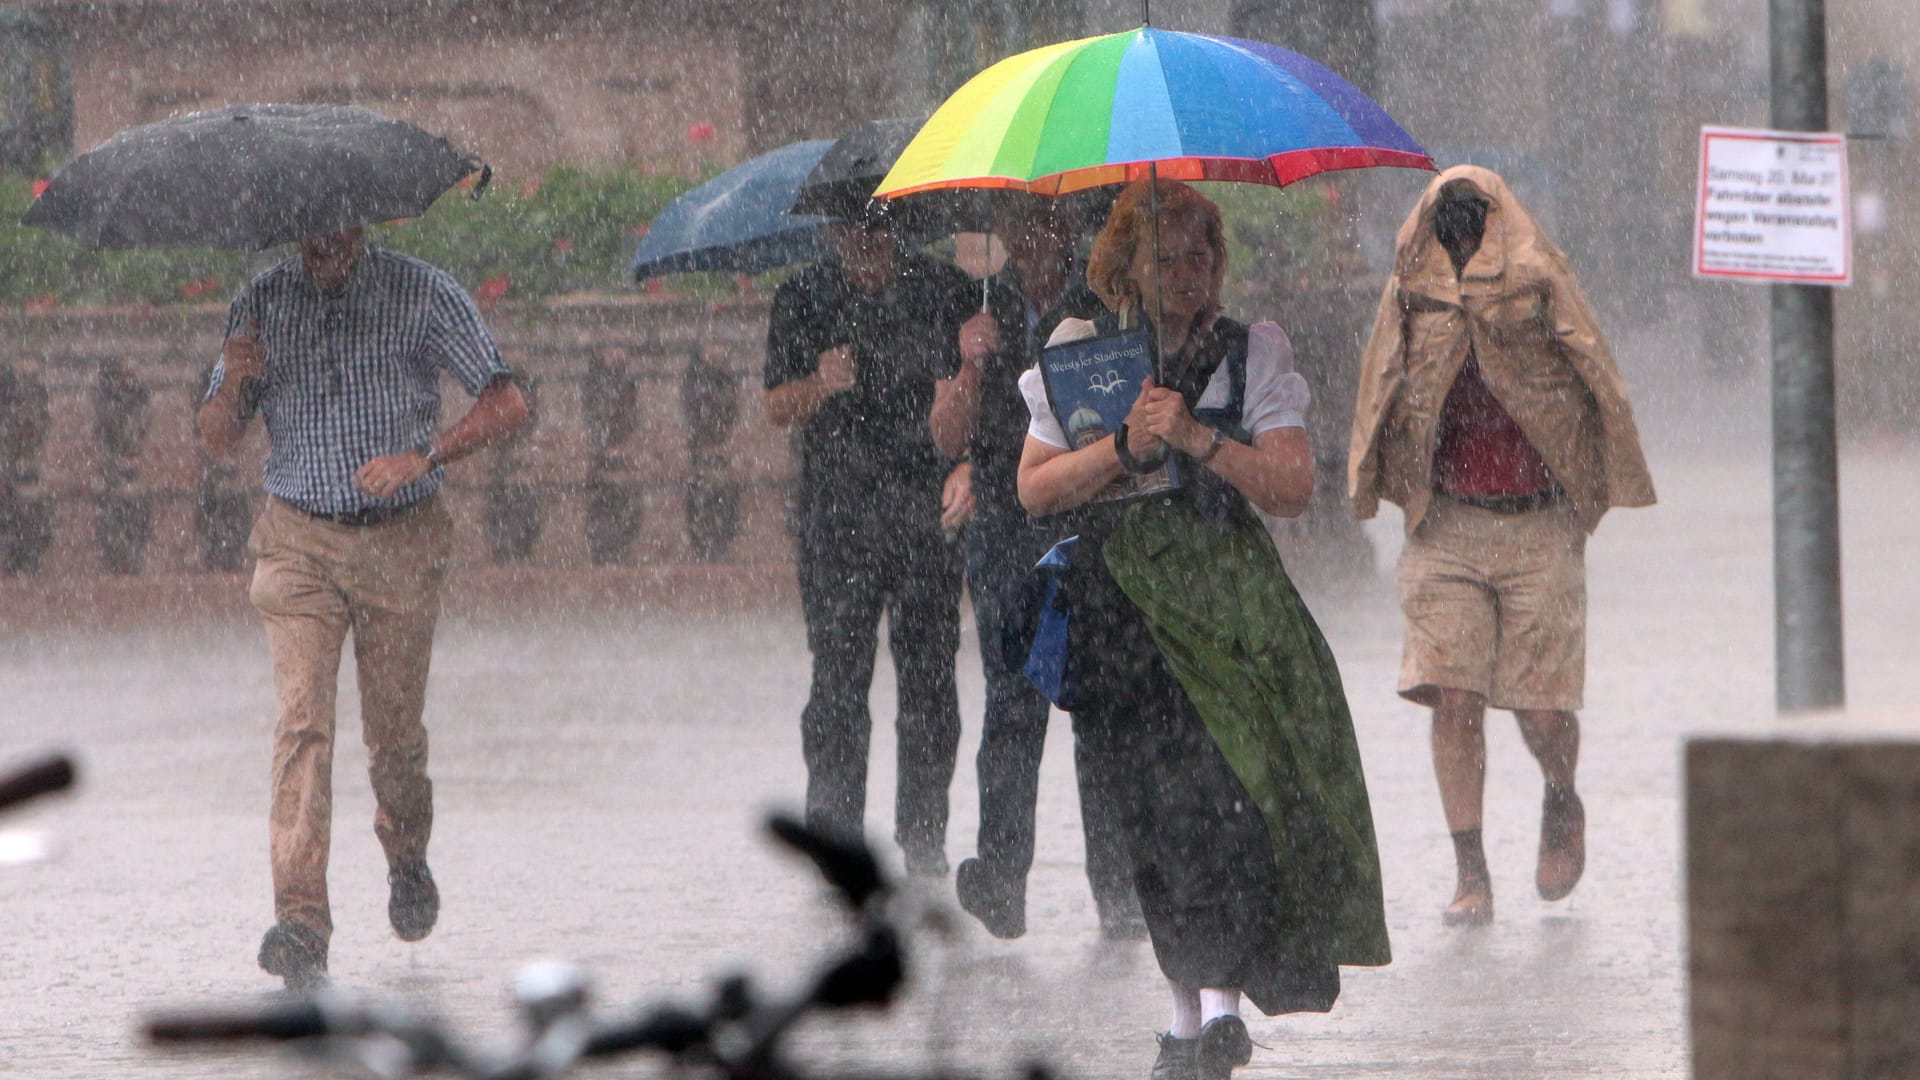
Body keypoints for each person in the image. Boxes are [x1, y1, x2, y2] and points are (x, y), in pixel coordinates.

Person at [1015, 179, 1389, 1080]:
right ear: (1125, 267)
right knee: (1148, 810)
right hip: (1121, 617)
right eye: (1166, 257)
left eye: (1200, 256)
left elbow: (1293, 487)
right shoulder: (1077, 354)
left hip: (1229, 611)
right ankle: (1189, 1017)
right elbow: (1034, 490)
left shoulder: (1251, 352)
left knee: (1225, 796)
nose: (1187, 274)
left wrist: (1194, 438)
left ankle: (1218, 1008)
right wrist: (1125, 450)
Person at [197, 227, 529, 989]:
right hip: (297, 539)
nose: (326, 243)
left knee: (395, 736)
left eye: (340, 225)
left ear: (365, 222)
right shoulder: (261, 302)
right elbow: (217, 439)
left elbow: (507, 401)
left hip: (401, 539)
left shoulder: (424, 291)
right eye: (313, 227)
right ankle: (301, 922)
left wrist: (428, 455)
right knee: (303, 724)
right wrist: (229, 382)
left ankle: (405, 851)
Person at [1349, 165, 1656, 927]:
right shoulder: (1412, 289)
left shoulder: (1540, 279)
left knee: (1542, 711)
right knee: (1453, 695)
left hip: (1539, 523)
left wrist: (1607, 481)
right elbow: (1380, 377)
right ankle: (1471, 870)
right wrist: (1366, 482)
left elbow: (1596, 371)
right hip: (1445, 523)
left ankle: (1560, 797)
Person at [927, 195, 1143, 941]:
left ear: (1067, 224)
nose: (1030, 236)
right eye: (1016, 221)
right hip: (1003, 530)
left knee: (1096, 700)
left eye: (1043, 220)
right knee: (1011, 700)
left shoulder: (1106, 303)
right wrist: (966, 362)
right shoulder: (975, 307)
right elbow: (945, 432)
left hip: (1086, 521)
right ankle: (1003, 876)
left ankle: (1117, 892)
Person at [763, 200, 976, 876]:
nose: (863, 244)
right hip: (837, 516)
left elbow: (979, 392)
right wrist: (818, 384)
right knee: (837, 685)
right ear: (831, 232)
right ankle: (836, 842)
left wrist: (967, 456)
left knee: (929, 683)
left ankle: (924, 839)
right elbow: (775, 406)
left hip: (926, 511)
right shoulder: (801, 296)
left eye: (876, 230)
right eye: (850, 230)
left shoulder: (947, 291)